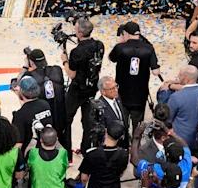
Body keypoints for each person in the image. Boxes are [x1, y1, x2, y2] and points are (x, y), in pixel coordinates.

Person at [109, 21, 161, 136]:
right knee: (138, 125)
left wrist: (121, 42)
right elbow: (156, 71)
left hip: (123, 91)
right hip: (140, 93)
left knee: (122, 121)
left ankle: (124, 144)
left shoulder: (120, 48)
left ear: (125, 33)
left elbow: (111, 58)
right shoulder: (148, 48)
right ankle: (135, 146)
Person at [62, 17, 105, 153]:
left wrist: (64, 61)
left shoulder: (76, 52)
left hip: (77, 90)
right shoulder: (99, 45)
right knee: (88, 121)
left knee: (66, 119)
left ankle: (66, 152)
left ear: (80, 33)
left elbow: (71, 74)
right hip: (92, 89)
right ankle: (86, 149)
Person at [162, 66, 198, 147]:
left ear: (186, 79)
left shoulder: (176, 97)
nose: (178, 76)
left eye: (180, 75)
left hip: (181, 140)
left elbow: (168, 119)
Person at [11, 76, 53, 151]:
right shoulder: (45, 104)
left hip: (30, 153)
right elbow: (30, 109)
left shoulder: (20, 115)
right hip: (47, 148)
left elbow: (18, 144)